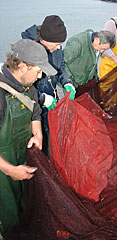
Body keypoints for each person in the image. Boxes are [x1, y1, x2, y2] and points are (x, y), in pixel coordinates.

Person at [0, 39, 56, 234]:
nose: (40, 77)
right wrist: (9, 170)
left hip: (22, 156)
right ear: (22, 66)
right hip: (3, 168)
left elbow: (36, 112)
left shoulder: (28, 88)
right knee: (9, 212)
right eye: (38, 71)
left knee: (25, 203)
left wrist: (38, 135)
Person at [21, 15, 74, 154]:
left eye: (60, 45)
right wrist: (41, 98)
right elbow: (20, 86)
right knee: (38, 139)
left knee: (51, 134)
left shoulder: (55, 47)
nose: (59, 48)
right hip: (33, 108)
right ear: (44, 41)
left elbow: (60, 67)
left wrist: (67, 82)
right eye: (56, 45)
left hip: (52, 100)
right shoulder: (26, 51)